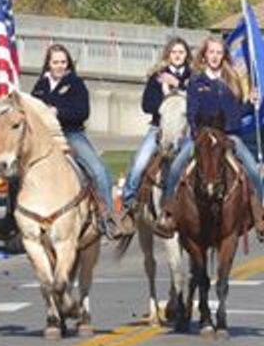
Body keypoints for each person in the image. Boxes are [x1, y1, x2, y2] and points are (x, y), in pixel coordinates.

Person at [158, 36, 264, 232]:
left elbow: (236, 113)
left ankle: (260, 213)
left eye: (219, 53)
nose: (215, 56)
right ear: (204, 55)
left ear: (223, 56)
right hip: (201, 136)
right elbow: (191, 112)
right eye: (211, 52)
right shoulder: (197, 82)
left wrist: (250, 103)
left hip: (228, 136)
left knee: (251, 167)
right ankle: (168, 212)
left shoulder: (231, 82)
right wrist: (199, 133)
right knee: (176, 166)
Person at [31, 43, 122, 238]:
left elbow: (83, 112)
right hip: (43, 137)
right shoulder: (40, 86)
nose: (59, 66)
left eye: (63, 62)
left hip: (70, 134)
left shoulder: (76, 83)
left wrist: (58, 112)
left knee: (98, 170)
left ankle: (108, 217)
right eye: (55, 62)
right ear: (48, 63)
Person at [121, 37, 192, 218]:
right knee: (139, 163)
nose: (177, 56)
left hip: (185, 130)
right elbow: (147, 105)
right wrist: (167, 103)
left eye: (181, 52)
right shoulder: (157, 76)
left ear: (187, 55)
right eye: (174, 52)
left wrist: (179, 85)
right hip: (158, 128)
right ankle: (129, 203)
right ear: (168, 54)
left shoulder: (194, 76)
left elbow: (198, 101)